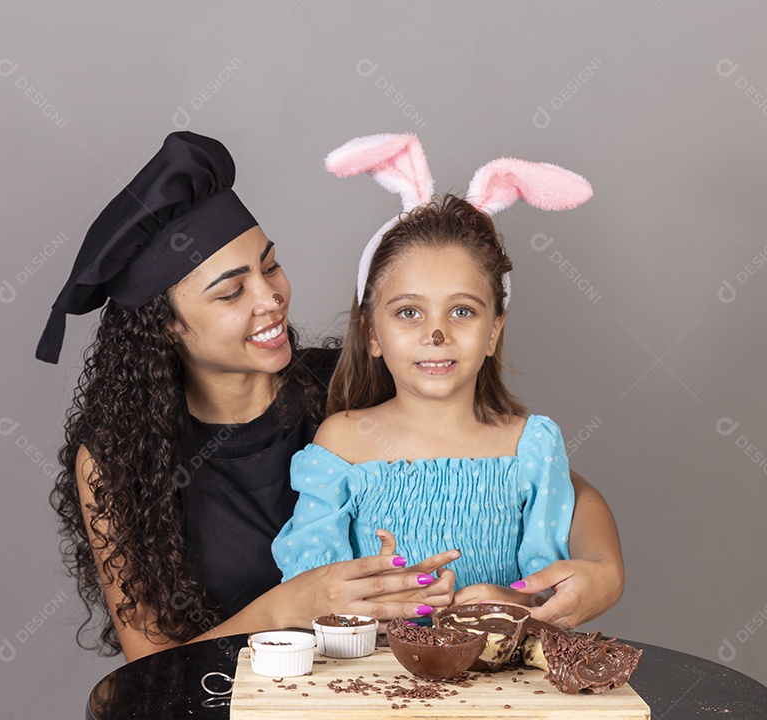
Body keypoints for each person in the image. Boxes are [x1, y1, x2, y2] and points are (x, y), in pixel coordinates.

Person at [36, 131, 623, 663]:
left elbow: (551, 483)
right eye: (231, 292)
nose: (270, 300)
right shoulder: (120, 459)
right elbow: (153, 666)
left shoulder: (338, 387)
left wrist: (603, 573)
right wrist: (293, 604)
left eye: (271, 266)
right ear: (165, 324)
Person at [273, 134, 599, 610]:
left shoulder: (531, 447)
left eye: (462, 311)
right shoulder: (343, 443)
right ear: (371, 333)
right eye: (409, 312)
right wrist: (372, 592)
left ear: (494, 331)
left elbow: (551, 595)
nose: (437, 333)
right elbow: (312, 589)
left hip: (496, 683)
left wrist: (505, 602)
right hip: (364, 680)